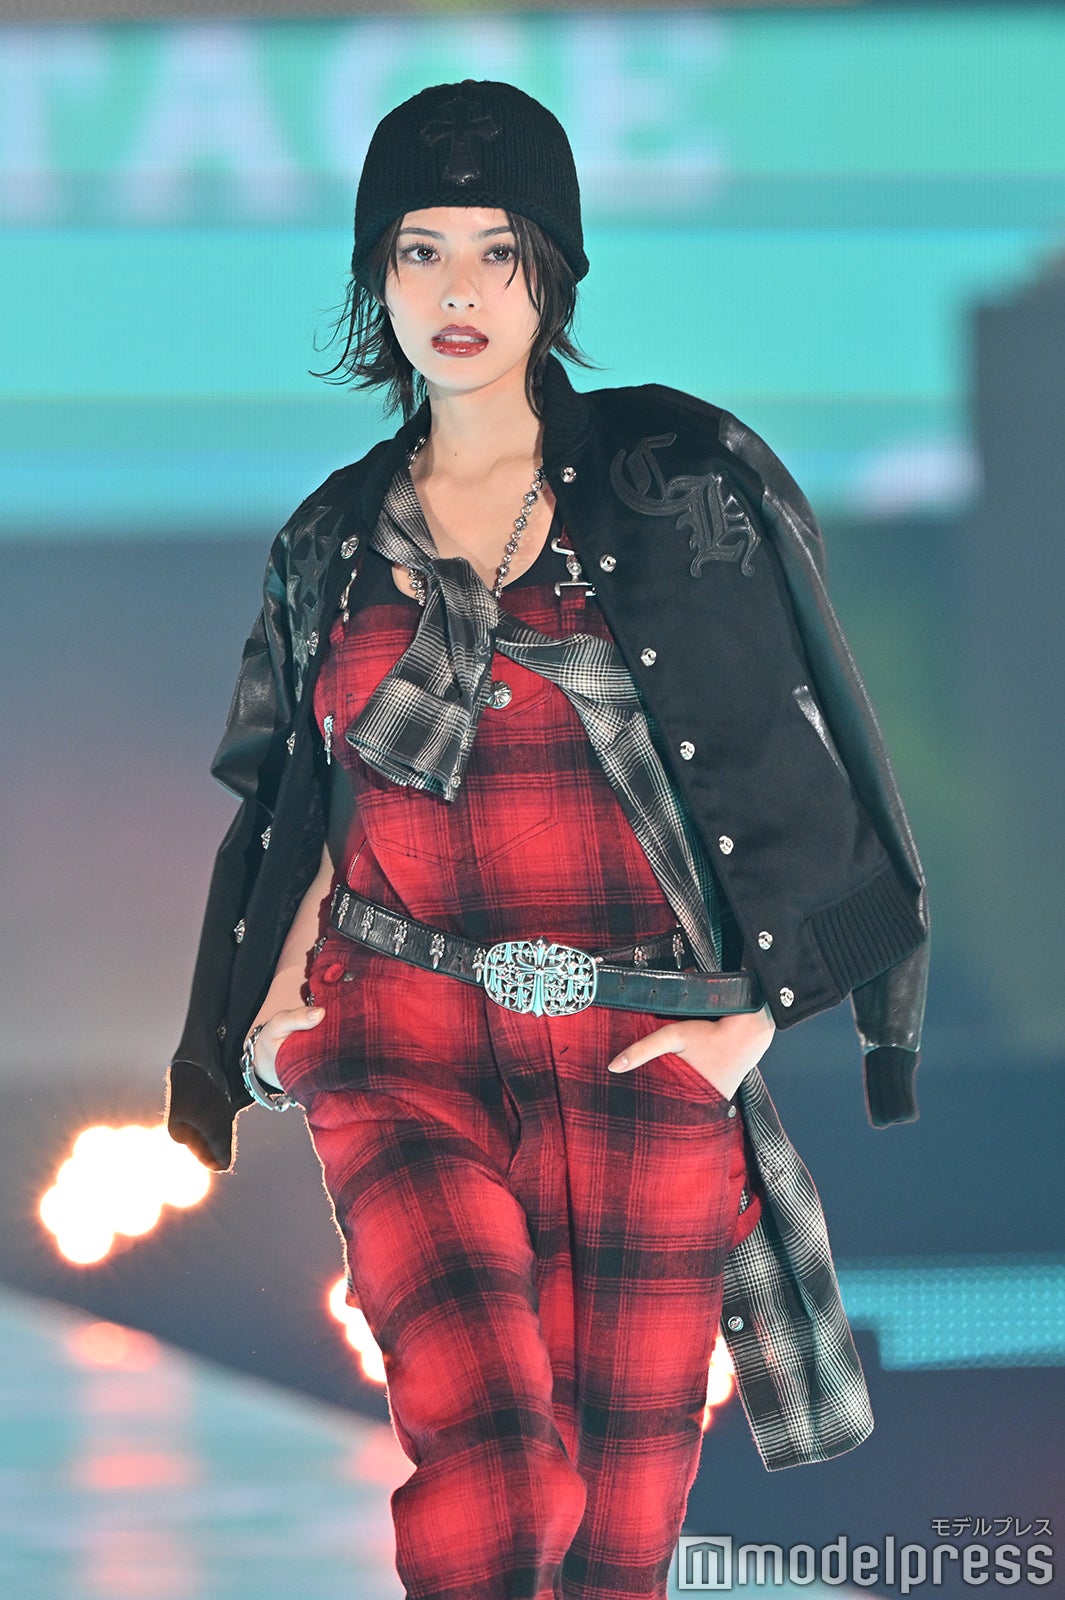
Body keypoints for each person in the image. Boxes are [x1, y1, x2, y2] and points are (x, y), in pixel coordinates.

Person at [166, 81, 928, 1600]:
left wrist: (747, 1028)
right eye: (420, 251)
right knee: (500, 1487)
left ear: (551, 274)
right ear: (377, 278)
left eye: (496, 252)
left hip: (640, 1045)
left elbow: (809, 756)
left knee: (616, 1545)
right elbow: (311, 794)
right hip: (400, 1034)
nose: (456, 292)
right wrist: (272, 1001)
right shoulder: (331, 536)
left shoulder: (677, 477)